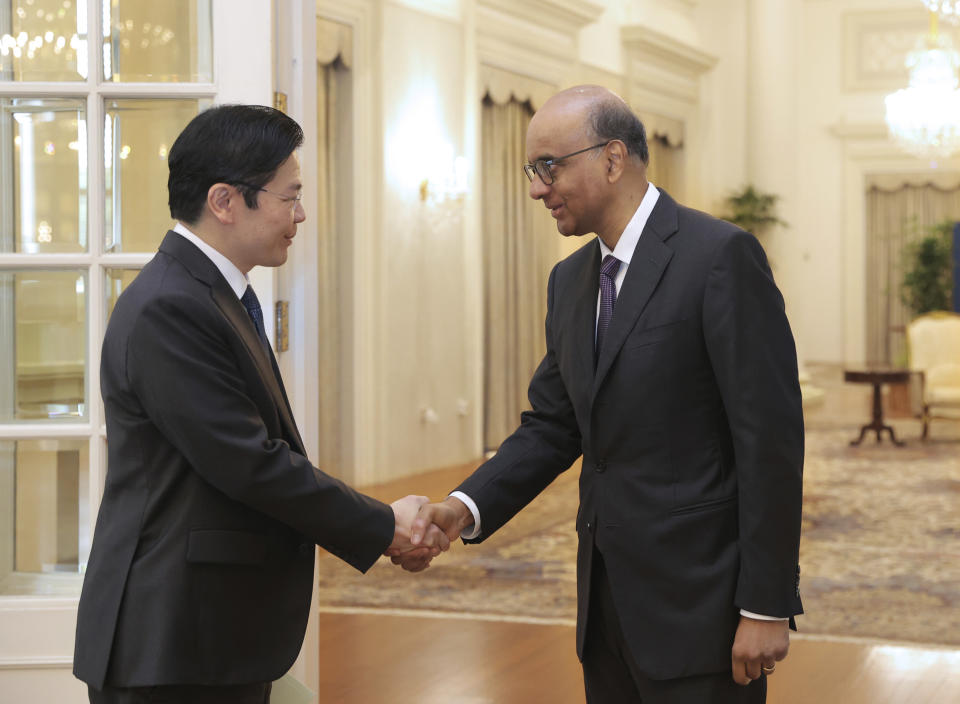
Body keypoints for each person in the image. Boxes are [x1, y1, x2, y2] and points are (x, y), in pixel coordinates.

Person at [401, 86, 804, 703]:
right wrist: (461, 509)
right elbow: (551, 427)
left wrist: (767, 605)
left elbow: (768, 443)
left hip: (704, 609)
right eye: (531, 171)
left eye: (549, 167)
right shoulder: (569, 280)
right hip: (606, 613)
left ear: (612, 158)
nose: (536, 188)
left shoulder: (719, 257)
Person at [73, 104, 445, 704]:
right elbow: (250, 463)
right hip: (170, 641)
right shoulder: (173, 306)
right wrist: (383, 525)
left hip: (203, 634)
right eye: (287, 196)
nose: (299, 215)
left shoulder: (213, 294)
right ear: (225, 201)